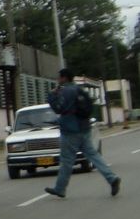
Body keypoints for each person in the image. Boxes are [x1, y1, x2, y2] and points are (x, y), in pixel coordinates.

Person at [44, 67, 121, 198]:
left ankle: (60, 188)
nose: (57, 80)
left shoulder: (66, 91)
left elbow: (59, 108)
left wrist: (52, 95)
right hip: (84, 128)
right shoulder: (80, 89)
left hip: (70, 130)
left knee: (67, 160)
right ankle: (112, 178)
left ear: (64, 78)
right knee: (93, 155)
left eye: (59, 77)